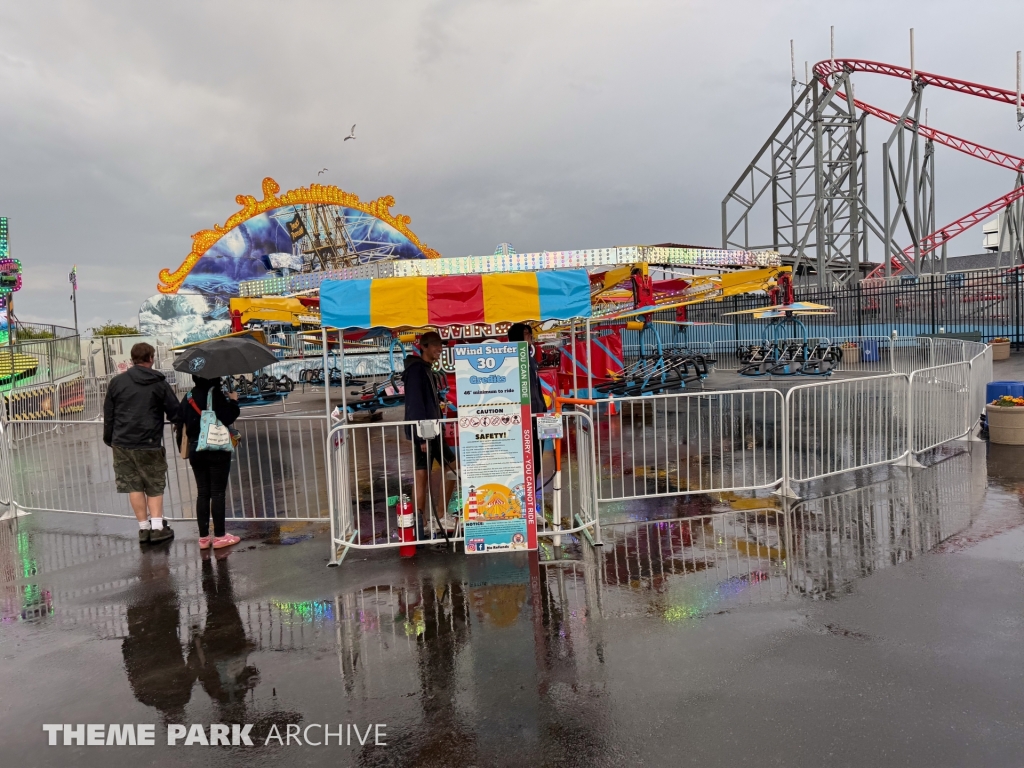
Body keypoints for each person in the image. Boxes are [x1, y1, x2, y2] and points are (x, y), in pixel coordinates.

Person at [103, 342, 180, 545]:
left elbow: (109, 414)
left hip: (122, 443)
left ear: (132, 359)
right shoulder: (158, 383)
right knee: (154, 484)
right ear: (151, 358)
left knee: (133, 486)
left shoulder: (117, 382)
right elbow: (175, 412)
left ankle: (143, 528)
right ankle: (157, 527)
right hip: (148, 442)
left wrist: (109, 438)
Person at [402, 331, 457, 537]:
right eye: (434, 345)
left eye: (440, 345)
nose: (439, 349)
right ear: (423, 346)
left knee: (426, 472)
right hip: (426, 432)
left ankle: (425, 518)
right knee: (427, 472)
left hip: (431, 430)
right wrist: (421, 436)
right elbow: (416, 406)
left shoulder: (424, 369)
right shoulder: (417, 371)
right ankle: (428, 517)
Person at [178, 375, 241, 551]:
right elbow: (228, 416)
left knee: (203, 493)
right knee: (218, 493)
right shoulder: (215, 395)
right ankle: (220, 536)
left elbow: (179, 418)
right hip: (216, 448)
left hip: (195, 449)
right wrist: (234, 401)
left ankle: (204, 538)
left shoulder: (188, 395)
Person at [507, 323, 546, 474]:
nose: (530, 336)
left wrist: (542, 407)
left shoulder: (530, 359)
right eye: (525, 333)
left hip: (536, 416)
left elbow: (536, 387)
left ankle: (532, 493)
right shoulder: (513, 360)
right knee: (529, 462)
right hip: (525, 417)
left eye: (530, 333)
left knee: (536, 462)